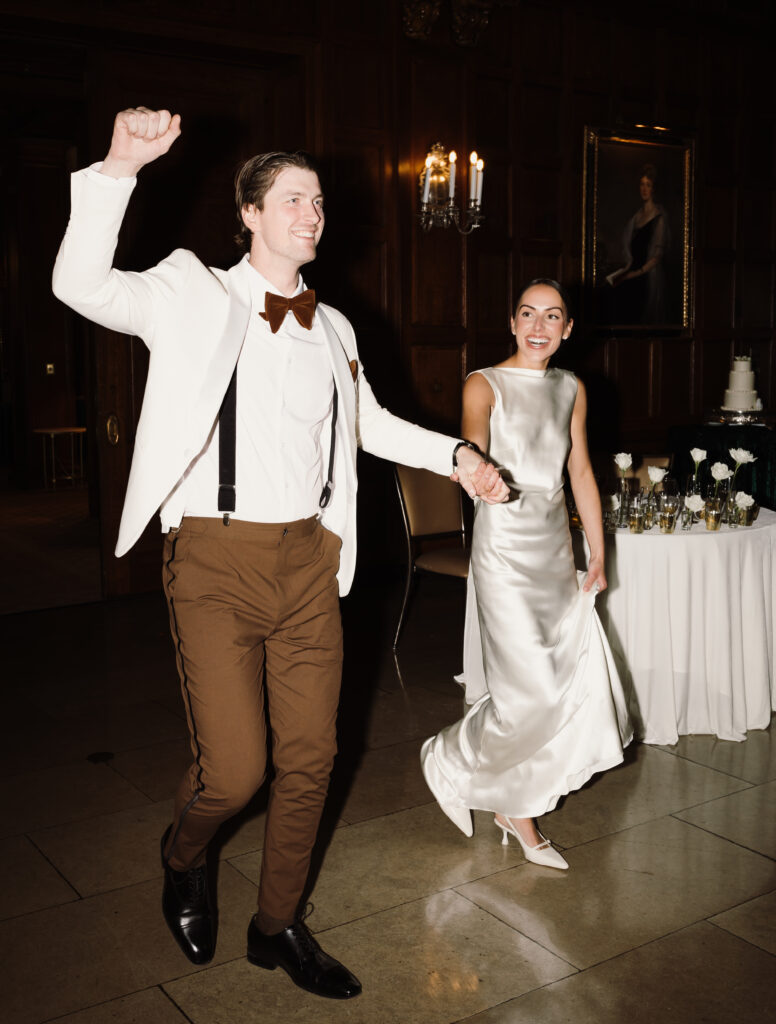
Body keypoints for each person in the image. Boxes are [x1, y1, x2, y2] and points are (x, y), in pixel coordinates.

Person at [52, 107, 508, 1000]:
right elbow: (80, 285)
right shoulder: (192, 292)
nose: (313, 214)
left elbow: (369, 424)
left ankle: (277, 923)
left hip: (310, 562)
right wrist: (117, 167)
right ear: (250, 214)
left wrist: (455, 454)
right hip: (216, 564)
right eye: (293, 199)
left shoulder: (332, 328)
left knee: (311, 759)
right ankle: (185, 856)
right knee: (233, 772)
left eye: (320, 202)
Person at [421, 279, 632, 869]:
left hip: (553, 552)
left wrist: (597, 552)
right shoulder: (483, 384)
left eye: (553, 317)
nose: (539, 326)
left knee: (557, 678)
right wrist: (478, 473)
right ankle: (475, 776)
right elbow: (472, 451)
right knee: (529, 687)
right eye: (528, 314)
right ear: (512, 323)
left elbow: (583, 473)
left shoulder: (571, 387)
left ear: (567, 330)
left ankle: (508, 798)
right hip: (504, 550)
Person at [606, 163, 670, 324]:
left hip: (647, 276)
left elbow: (656, 257)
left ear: (654, 189)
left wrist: (634, 274)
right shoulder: (636, 217)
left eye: (648, 185)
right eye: (642, 184)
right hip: (632, 270)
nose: (644, 189)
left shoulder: (659, 218)